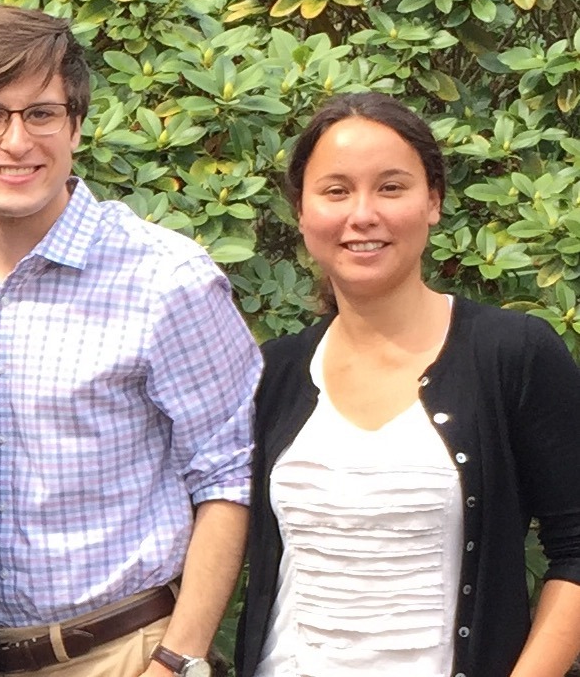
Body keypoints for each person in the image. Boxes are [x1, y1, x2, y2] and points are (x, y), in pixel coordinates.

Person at [0, 4, 261, 677]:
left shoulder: (165, 277)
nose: (15, 142)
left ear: (74, 125)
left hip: (123, 653)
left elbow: (230, 474)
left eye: (39, 113)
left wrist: (174, 660)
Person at [234, 92, 580, 677]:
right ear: (302, 210)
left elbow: (575, 545)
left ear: (434, 202)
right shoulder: (275, 372)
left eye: (391, 187)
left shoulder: (512, 353)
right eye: (336, 190)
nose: (362, 214)